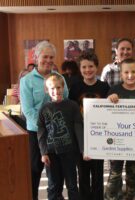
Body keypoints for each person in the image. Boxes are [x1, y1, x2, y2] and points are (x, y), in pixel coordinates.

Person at [20, 41, 68, 200]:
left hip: (58, 133)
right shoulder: (26, 81)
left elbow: (65, 101)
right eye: (45, 56)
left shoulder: (60, 78)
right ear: (36, 57)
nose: (48, 60)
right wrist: (45, 127)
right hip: (36, 132)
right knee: (35, 169)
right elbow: (28, 110)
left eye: (51, 57)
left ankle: (55, 197)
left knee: (56, 171)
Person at [100, 37, 135, 198]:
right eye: (126, 72)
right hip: (117, 141)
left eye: (133, 72)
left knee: (132, 176)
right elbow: (104, 113)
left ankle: (130, 197)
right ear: (120, 74)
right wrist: (109, 100)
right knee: (115, 174)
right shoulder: (113, 90)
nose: (130, 75)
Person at [69, 51, 110, 200]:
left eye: (91, 66)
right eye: (84, 67)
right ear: (80, 69)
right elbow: (72, 114)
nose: (88, 70)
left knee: (98, 173)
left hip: (99, 135)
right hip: (81, 136)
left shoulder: (105, 87)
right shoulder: (74, 88)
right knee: (83, 172)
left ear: (97, 67)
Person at [37, 73, 83, 200]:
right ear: (47, 90)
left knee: (72, 185)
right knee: (53, 186)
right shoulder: (44, 109)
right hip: (51, 154)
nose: (56, 91)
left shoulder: (72, 106)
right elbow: (41, 132)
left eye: (58, 87)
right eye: (52, 88)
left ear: (63, 88)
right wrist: (43, 152)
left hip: (69, 152)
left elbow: (78, 127)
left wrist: (83, 149)